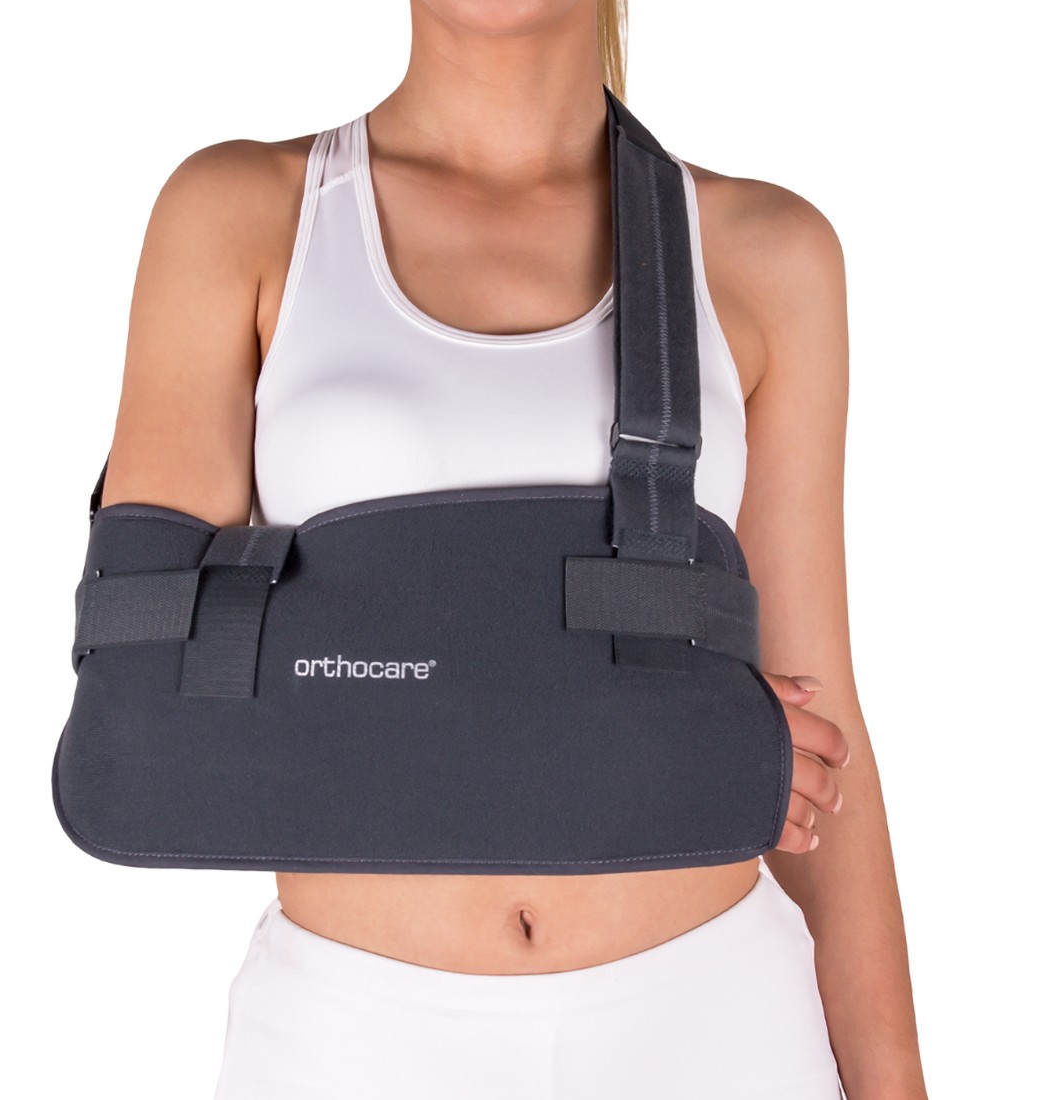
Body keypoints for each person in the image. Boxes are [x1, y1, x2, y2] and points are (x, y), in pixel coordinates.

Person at [96, 1, 926, 1096]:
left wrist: (895, 1080)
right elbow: (140, 715)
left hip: (713, 1020)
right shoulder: (243, 214)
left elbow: (819, 723)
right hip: (355, 1036)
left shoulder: (765, 250)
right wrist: (627, 736)